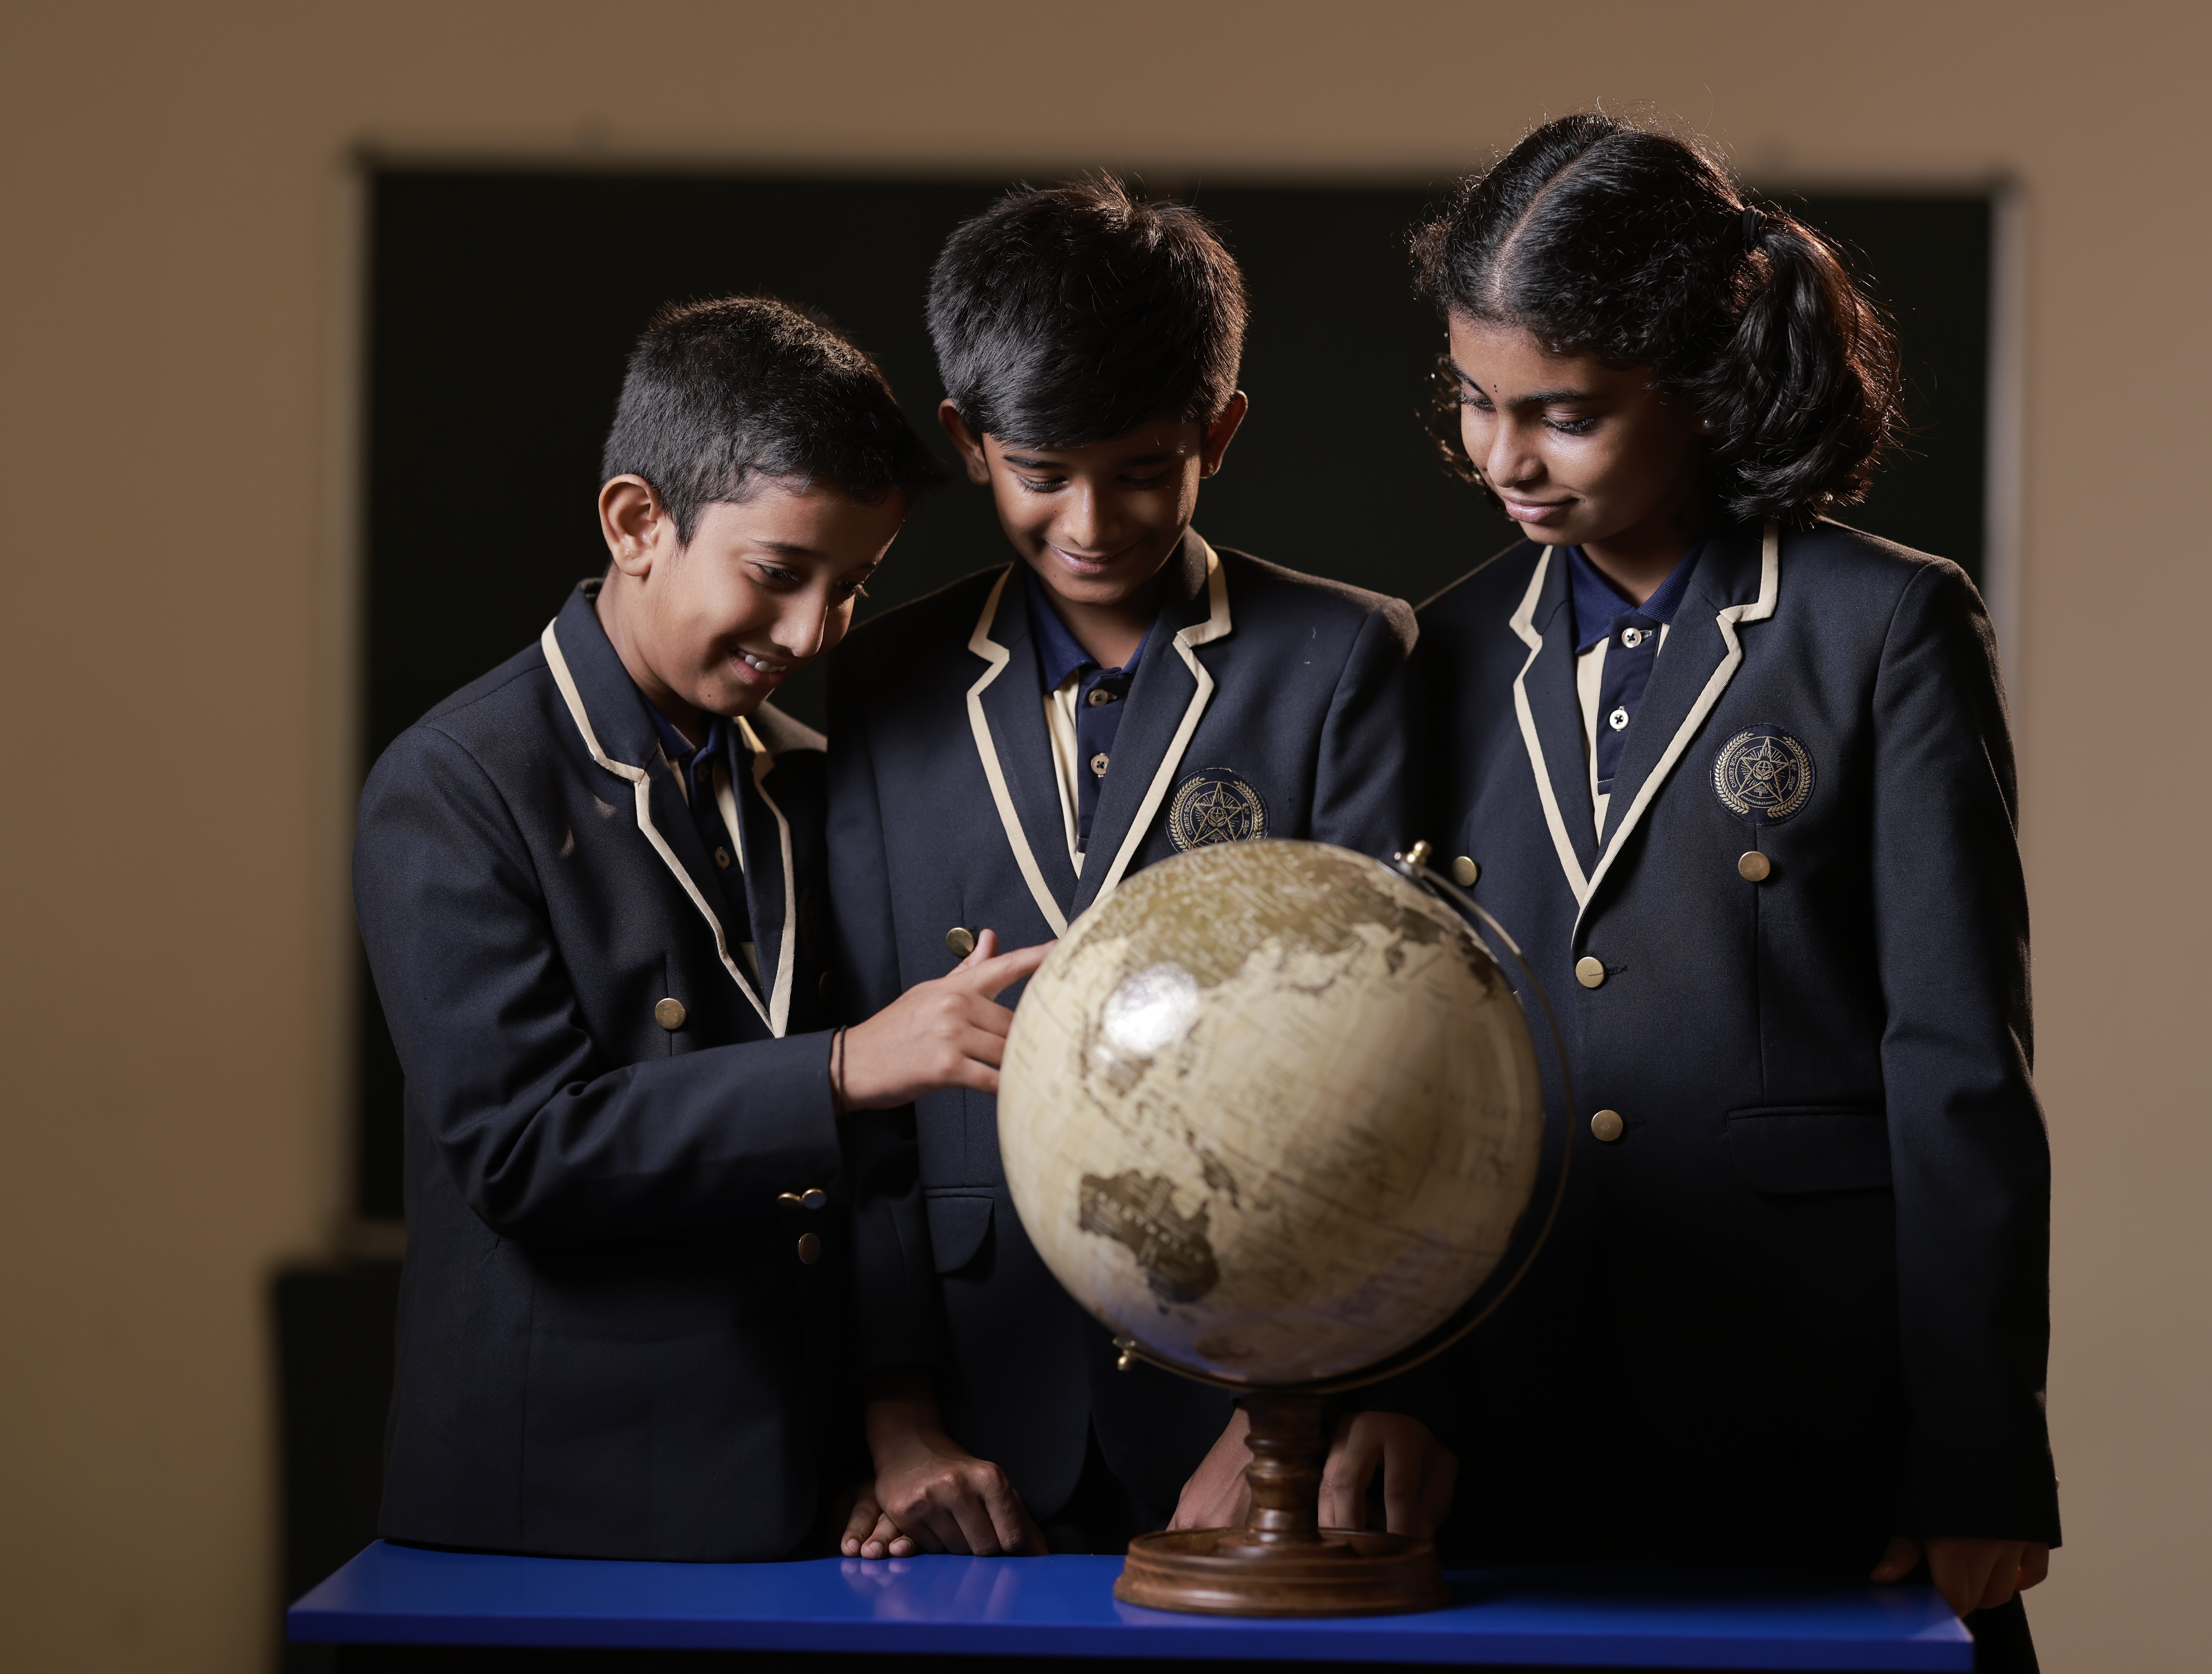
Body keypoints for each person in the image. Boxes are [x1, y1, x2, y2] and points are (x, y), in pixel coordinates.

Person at [1404, 116, 2057, 1669]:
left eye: (1562, 414)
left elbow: (1956, 1065)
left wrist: (1977, 1455)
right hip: (1512, 1418)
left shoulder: (1882, 625)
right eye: (1478, 405)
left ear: (1699, 383)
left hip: (1814, 1411)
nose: (1505, 459)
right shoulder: (1431, 649)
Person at [355, 296, 1048, 1562]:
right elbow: (522, 1152)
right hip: (550, 1524)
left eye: (851, 588)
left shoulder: (808, 777)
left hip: (804, 1497)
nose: (810, 634)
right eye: (779, 574)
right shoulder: (454, 780)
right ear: (636, 523)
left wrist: (892, 1416)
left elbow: (876, 1168)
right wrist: (840, 1064)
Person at [827, 177, 1448, 1560]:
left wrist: (1276, 1418)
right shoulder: (878, 679)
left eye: (1140, 468)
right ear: (965, 439)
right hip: (970, 1433)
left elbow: (1390, 1077)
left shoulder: (1343, 661)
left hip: (1248, 1422)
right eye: (1040, 474)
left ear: (1217, 434)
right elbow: (861, 1109)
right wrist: (896, 1414)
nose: (1091, 521)